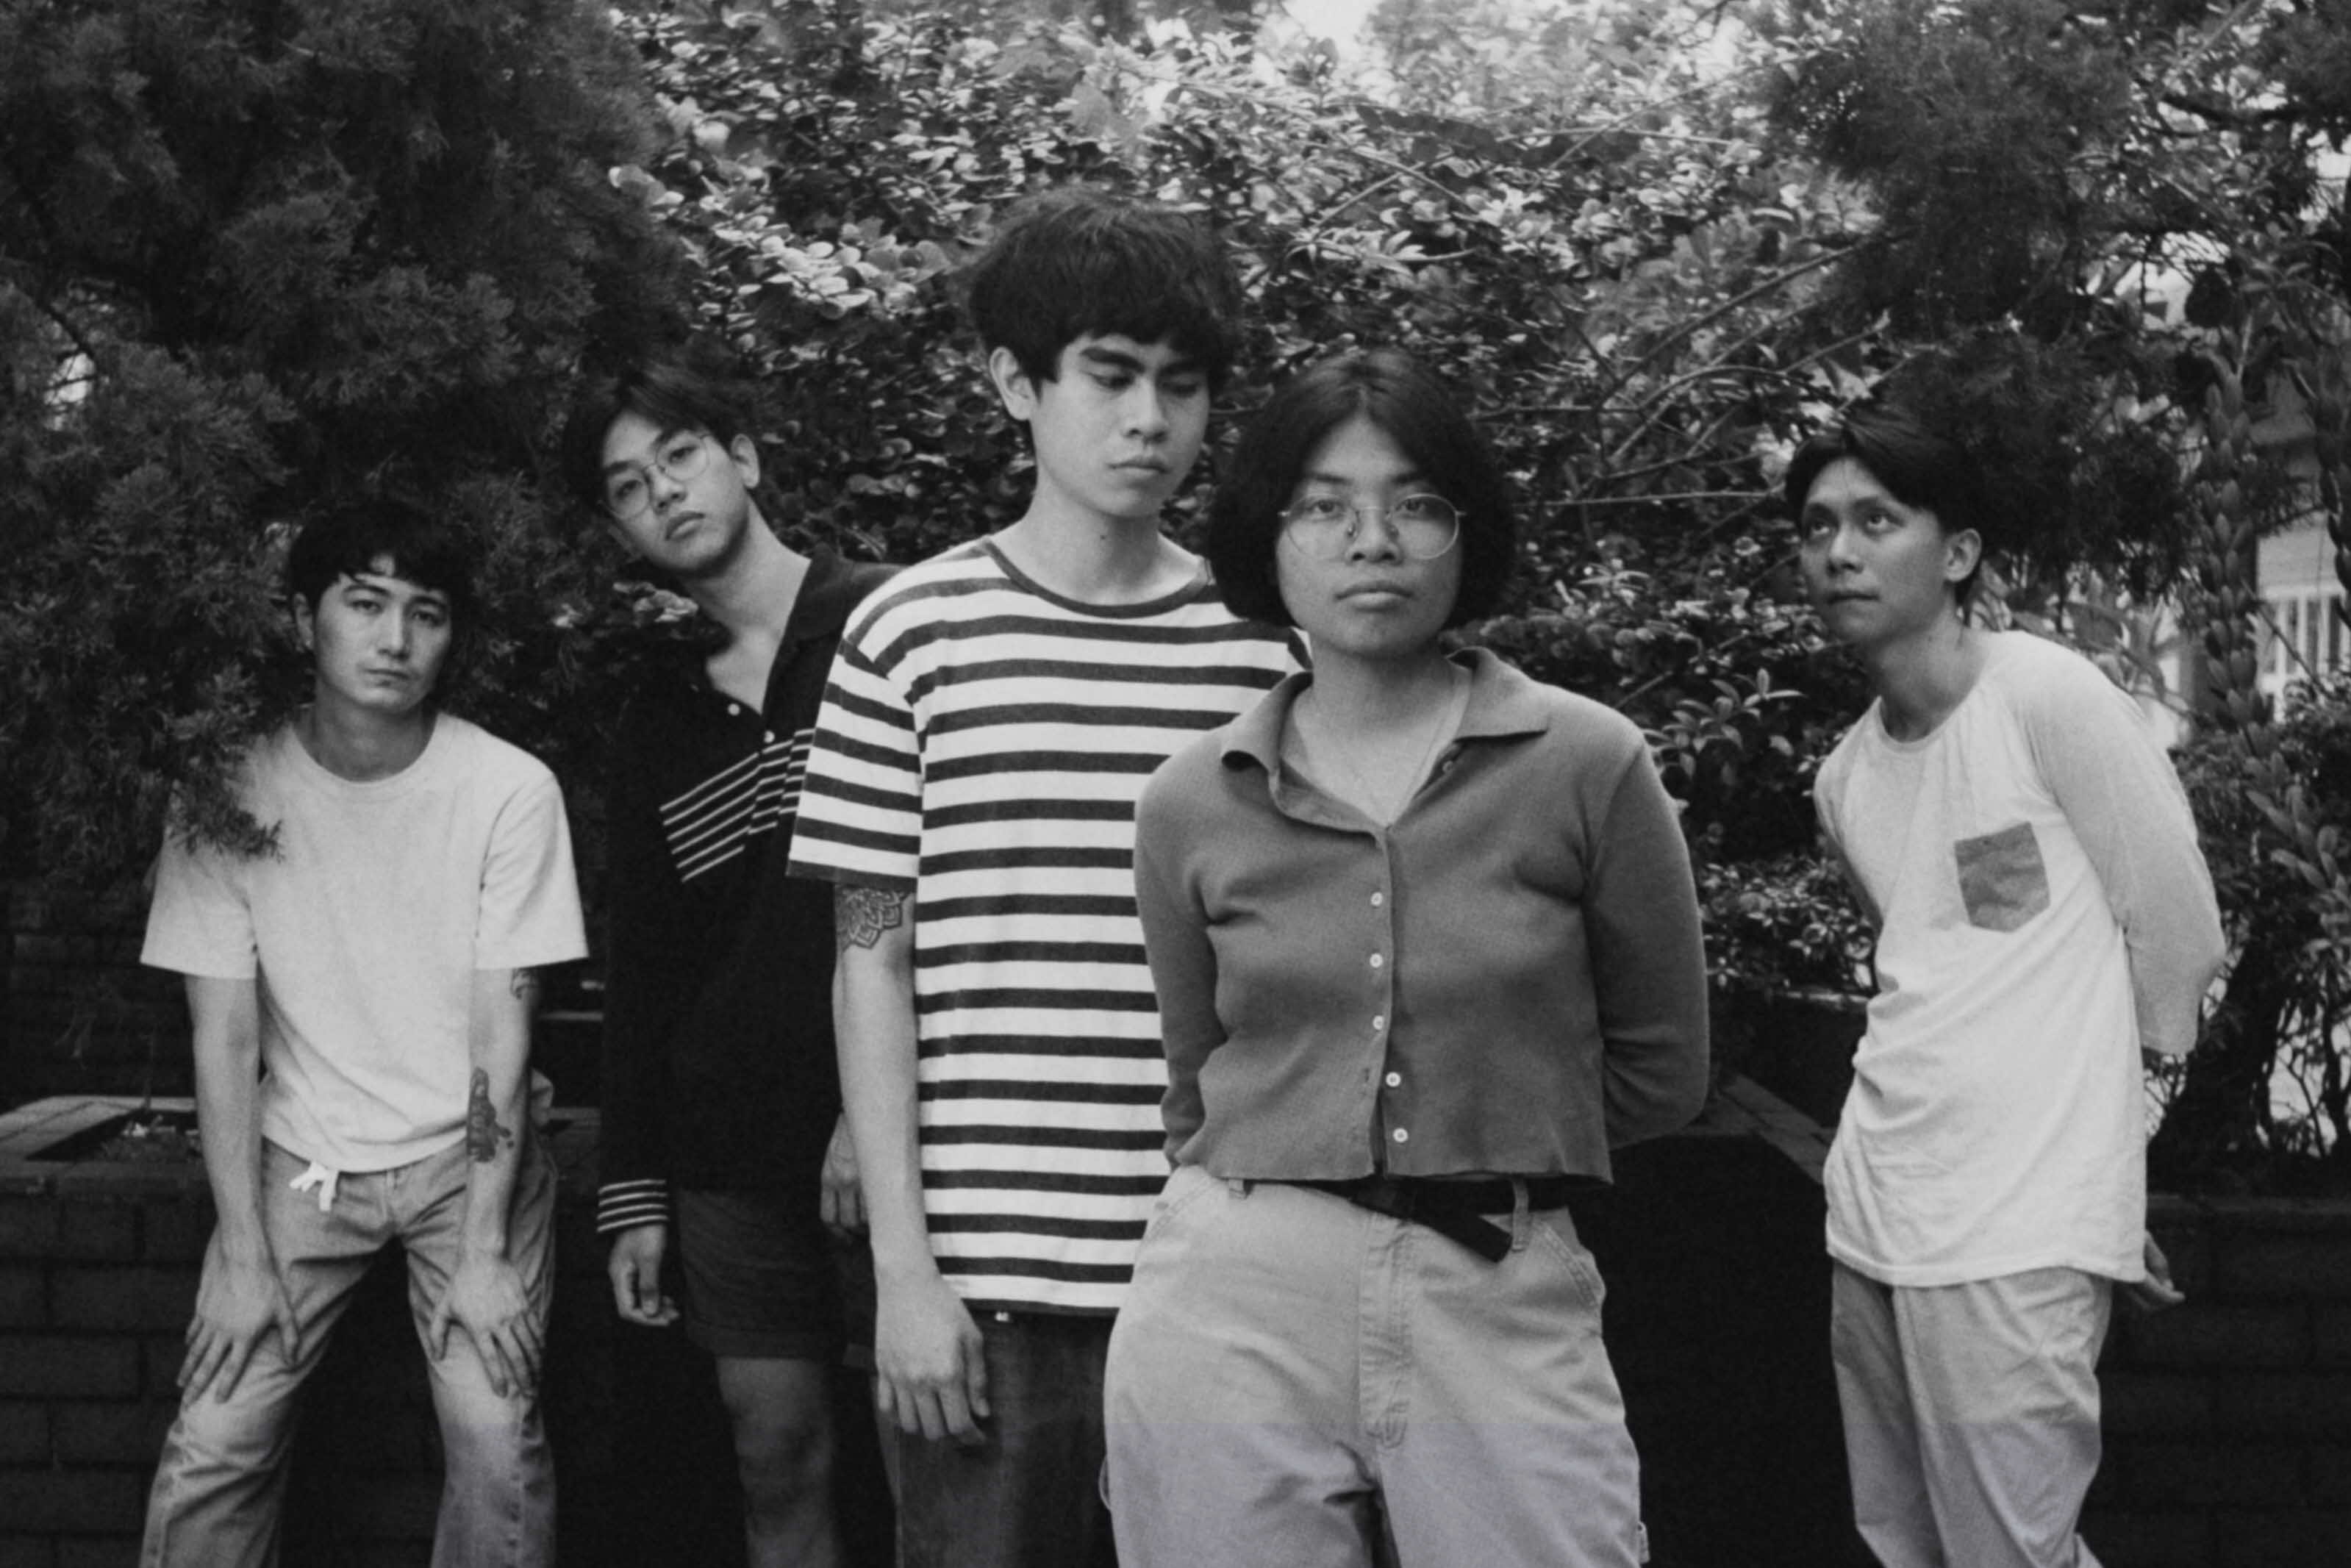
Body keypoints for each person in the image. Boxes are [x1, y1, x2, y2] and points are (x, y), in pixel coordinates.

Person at [1103, 347, 1711, 1566]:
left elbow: (1661, 1069)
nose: (1369, 539)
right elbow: (1196, 1075)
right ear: (1265, 541)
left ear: (1463, 532)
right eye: (1323, 506)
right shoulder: (1190, 798)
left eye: (1413, 504)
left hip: (1495, 1282)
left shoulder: (1586, 763)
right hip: (1236, 1291)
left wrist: (1491, 1136)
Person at [784, 184, 1302, 1568]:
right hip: (981, 1291)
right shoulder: (910, 635)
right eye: (1111, 378)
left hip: (1216, 1274)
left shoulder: (1263, 652)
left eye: (1181, 388)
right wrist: (903, 1273)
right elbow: (869, 950)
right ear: (1014, 382)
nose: (1149, 422)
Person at [1789, 403, 2226, 1567]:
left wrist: (2110, 1172)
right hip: (1873, 1216)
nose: (1839, 550)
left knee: (2010, 1552)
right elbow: (1940, 980)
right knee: (1901, 1546)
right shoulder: (1844, 780)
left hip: (2016, 1229)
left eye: (1876, 520)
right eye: (1818, 525)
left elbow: (2176, 937)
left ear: (1960, 553)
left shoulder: (2047, 695)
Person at [138, 501, 586, 1568]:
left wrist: (483, 1248)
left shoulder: (508, 791)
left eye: (425, 613)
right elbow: (224, 1035)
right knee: (216, 1429)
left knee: (494, 1431)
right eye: (365, 602)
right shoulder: (226, 790)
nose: (394, 639)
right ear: (305, 620)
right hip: (304, 1165)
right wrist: (240, 1251)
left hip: (466, 1165)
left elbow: (502, 1025)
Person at [560, 340, 898, 1568]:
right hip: (731, 1162)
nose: (664, 494)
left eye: (681, 454)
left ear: (744, 455)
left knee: (944, 1456)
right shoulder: (656, 720)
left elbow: (962, 891)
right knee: (775, 1461)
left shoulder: (890, 626)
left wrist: (875, 1113)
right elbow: (645, 977)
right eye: (629, 489)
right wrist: (635, 1197)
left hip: (905, 1139)